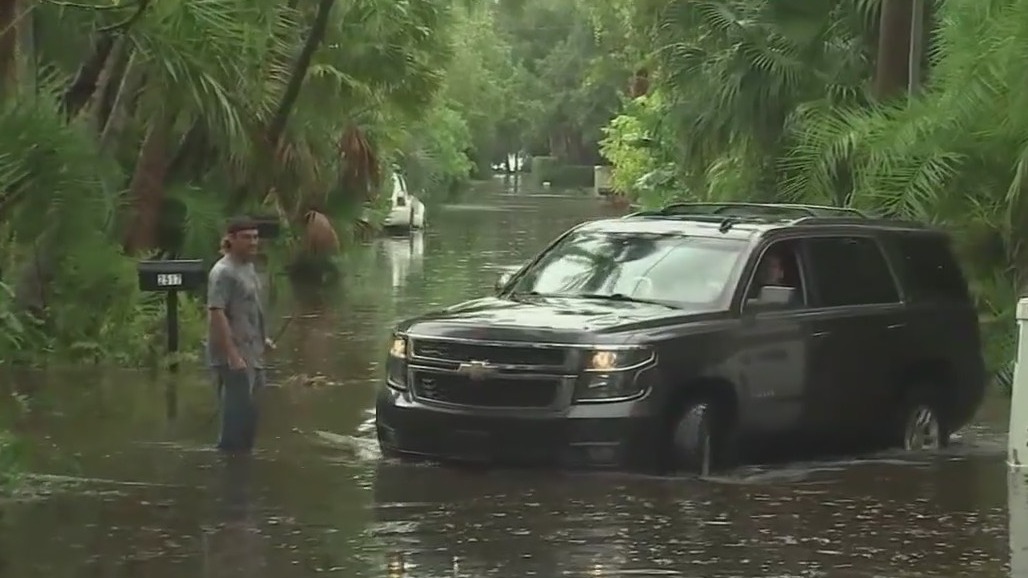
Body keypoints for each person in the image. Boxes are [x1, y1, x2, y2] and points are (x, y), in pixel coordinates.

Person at [206, 217, 274, 453]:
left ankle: (243, 472)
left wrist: (262, 337)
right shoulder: (222, 272)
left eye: (256, 237)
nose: (253, 242)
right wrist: (233, 355)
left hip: (253, 353)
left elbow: (249, 308)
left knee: (250, 419)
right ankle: (228, 477)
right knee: (235, 426)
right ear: (231, 239)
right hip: (232, 357)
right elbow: (217, 313)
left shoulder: (248, 268)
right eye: (247, 237)